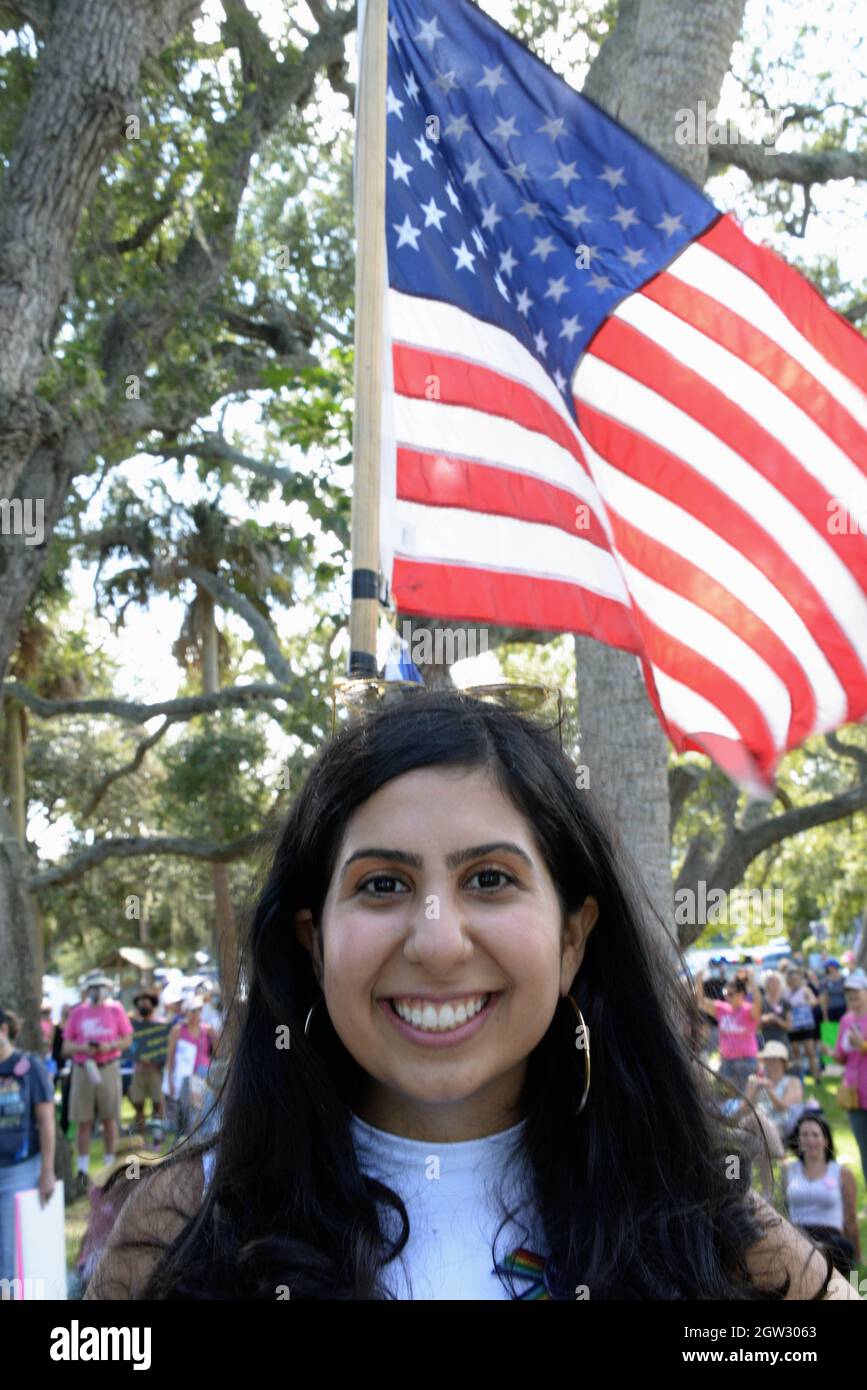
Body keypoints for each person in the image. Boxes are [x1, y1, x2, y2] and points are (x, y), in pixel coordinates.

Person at [85, 689, 860, 1300]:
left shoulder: (717, 1238)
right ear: (314, 942)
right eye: (381, 884)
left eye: (489, 879)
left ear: (570, 939)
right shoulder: (183, 1226)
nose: (437, 941)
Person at [63, 972, 133, 1195]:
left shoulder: (116, 1010)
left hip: (109, 1066)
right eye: (94, 987)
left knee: (110, 1118)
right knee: (83, 1121)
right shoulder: (78, 1013)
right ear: (87, 989)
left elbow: (127, 1039)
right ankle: (82, 1171)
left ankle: (110, 1166)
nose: (98, 991)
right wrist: (84, 1048)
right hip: (84, 1069)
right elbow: (66, 1046)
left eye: (101, 987)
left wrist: (110, 1045)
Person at [0, 1006, 57, 1283]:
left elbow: (46, 1121)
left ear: (3, 1031)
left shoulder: (28, 1067)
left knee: (10, 1255)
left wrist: (47, 1170)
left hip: (19, 1171)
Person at [782, 1114, 861, 1276]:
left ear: (825, 1140)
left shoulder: (842, 1173)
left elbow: (851, 1218)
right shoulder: (789, 1170)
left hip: (830, 1239)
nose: (810, 1140)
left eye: (815, 1135)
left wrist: (858, 1256)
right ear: (798, 1140)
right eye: (804, 1135)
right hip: (798, 1235)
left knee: (841, 1248)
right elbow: (783, 1210)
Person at [696, 969, 761, 1092]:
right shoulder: (722, 1008)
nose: (727, 996)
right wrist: (698, 981)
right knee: (726, 1097)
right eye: (725, 993)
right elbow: (701, 1003)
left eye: (731, 994)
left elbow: (758, 1004)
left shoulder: (749, 1010)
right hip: (727, 1061)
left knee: (747, 1096)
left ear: (741, 994)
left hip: (746, 1061)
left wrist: (752, 980)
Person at [833, 969, 867, 1185]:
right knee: (864, 1147)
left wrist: (862, 1045)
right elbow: (841, 1056)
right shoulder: (846, 1021)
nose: (853, 999)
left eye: (856, 994)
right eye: (849, 996)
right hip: (855, 1094)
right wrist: (834, 1054)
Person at [164, 997, 214, 1137]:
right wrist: (170, 1080)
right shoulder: (178, 1030)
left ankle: (202, 1141)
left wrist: (214, 1035)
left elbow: (216, 1051)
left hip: (204, 1074)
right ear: (186, 1012)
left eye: (199, 1010)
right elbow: (171, 1057)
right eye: (193, 1010)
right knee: (191, 1113)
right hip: (186, 1077)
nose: (197, 1013)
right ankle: (191, 1142)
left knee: (205, 1111)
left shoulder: (206, 1029)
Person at [128, 993, 169, 1143]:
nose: (143, 1006)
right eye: (140, 1003)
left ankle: (157, 1139)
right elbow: (130, 1046)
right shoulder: (133, 1026)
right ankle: (141, 1140)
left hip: (155, 1071)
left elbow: (166, 1047)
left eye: (145, 1003)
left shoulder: (161, 1024)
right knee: (138, 1106)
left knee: (157, 1105)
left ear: (152, 1005)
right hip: (138, 1071)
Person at [784, 968, 822, 1082]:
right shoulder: (786, 992)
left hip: (806, 1024)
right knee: (795, 1051)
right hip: (793, 1026)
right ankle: (799, 1077)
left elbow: (814, 1001)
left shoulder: (805, 990)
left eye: (796, 979)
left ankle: (817, 1076)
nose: (794, 981)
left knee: (810, 1051)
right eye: (792, 979)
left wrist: (804, 1004)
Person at [758, 971, 790, 1047]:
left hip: (782, 1040)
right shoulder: (761, 1003)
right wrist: (764, 1019)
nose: (774, 985)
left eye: (776, 982)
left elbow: (789, 1026)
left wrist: (776, 1019)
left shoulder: (785, 1002)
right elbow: (756, 1025)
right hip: (765, 1041)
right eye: (771, 982)